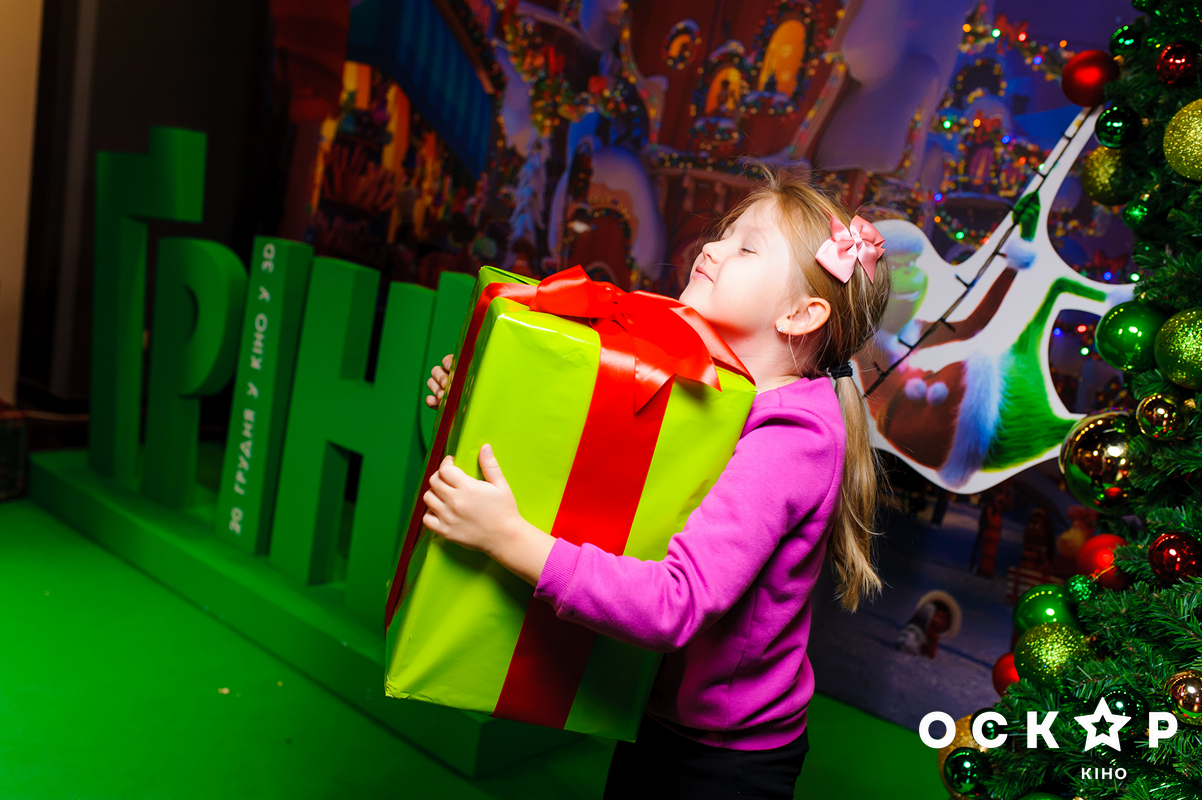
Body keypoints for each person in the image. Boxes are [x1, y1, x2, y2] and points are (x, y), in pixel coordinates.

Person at [420, 171, 893, 799]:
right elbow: (588, 471)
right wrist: (481, 401)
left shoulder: (793, 438)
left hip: (722, 759)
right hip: (653, 711)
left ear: (800, 314)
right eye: (723, 234)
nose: (712, 248)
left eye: (746, 247)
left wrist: (507, 537)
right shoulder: (716, 385)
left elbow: (676, 604)